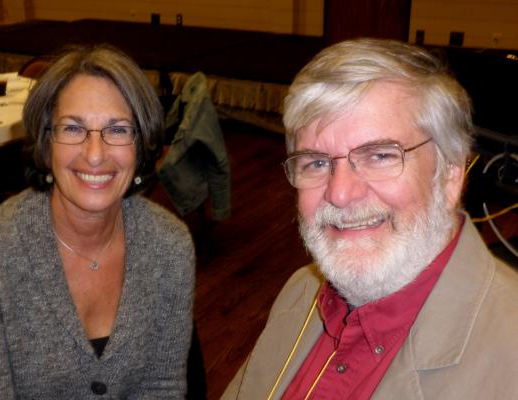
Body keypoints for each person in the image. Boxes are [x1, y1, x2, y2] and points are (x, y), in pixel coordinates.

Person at [222, 38, 518, 399]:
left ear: (450, 175)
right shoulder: (301, 293)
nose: (340, 193)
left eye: (380, 156)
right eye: (317, 162)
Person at [0, 45, 195, 399]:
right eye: (74, 128)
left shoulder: (170, 245)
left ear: (141, 146)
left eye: (118, 130)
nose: (94, 154)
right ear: (46, 143)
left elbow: (162, 387)